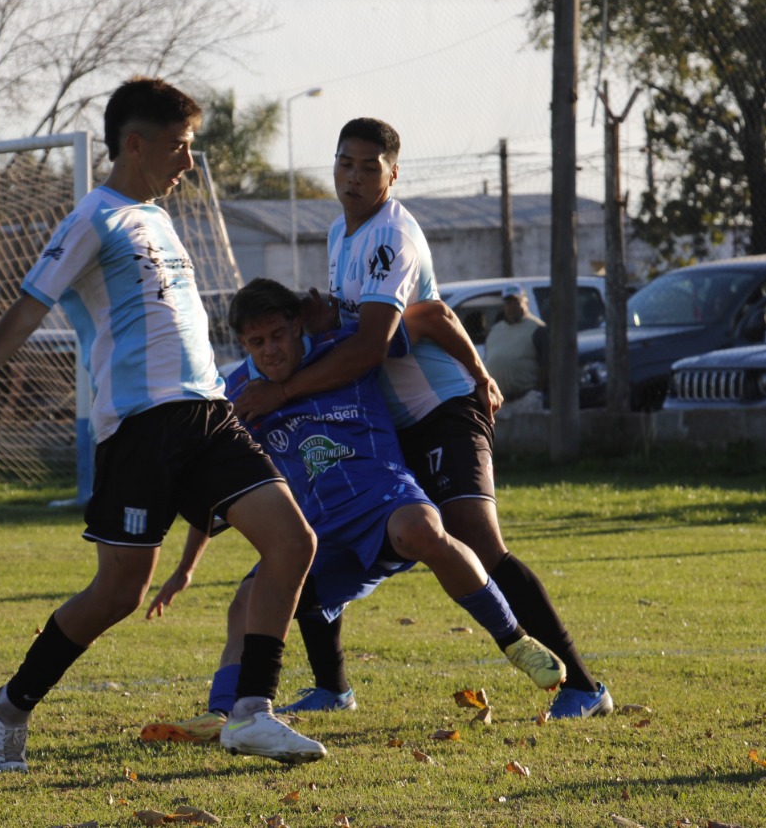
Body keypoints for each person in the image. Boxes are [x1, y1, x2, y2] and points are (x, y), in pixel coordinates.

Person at [0, 77, 324, 771]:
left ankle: (251, 712)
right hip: (141, 427)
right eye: (179, 147)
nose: (188, 162)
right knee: (120, 592)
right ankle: (10, 704)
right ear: (135, 145)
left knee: (293, 540)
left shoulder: (160, 220)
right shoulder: (94, 217)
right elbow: (31, 304)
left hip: (208, 413)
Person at [234, 117, 613, 720]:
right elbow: (402, 320)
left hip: (442, 409)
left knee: (478, 541)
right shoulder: (339, 233)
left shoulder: (392, 238)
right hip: (391, 421)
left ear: (392, 175)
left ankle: (583, 687)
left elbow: (372, 346)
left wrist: (282, 392)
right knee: (318, 531)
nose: (354, 177)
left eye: (369, 167)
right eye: (345, 163)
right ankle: (332, 688)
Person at [139, 279, 565, 744]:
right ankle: (221, 714)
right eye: (256, 342)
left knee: (421, 529)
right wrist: (186, 568)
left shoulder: (345, 349)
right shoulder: (238, 394)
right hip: (318, 535)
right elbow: (221, 487)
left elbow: (432, 317)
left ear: (296, 326)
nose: (270, 351)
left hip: (384, 502)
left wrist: (480, 376)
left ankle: (515, 640)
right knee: (246, 600)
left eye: (278, 335)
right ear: (243, 344)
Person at [484, 284, 545, 414]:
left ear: (526, 303)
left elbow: (548, 365)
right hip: (499, 402)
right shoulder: (495, 330)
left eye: (516, 302)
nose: (511, 307)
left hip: (526, 400)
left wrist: (538, 391)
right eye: (508, 302)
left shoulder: (537, 329)